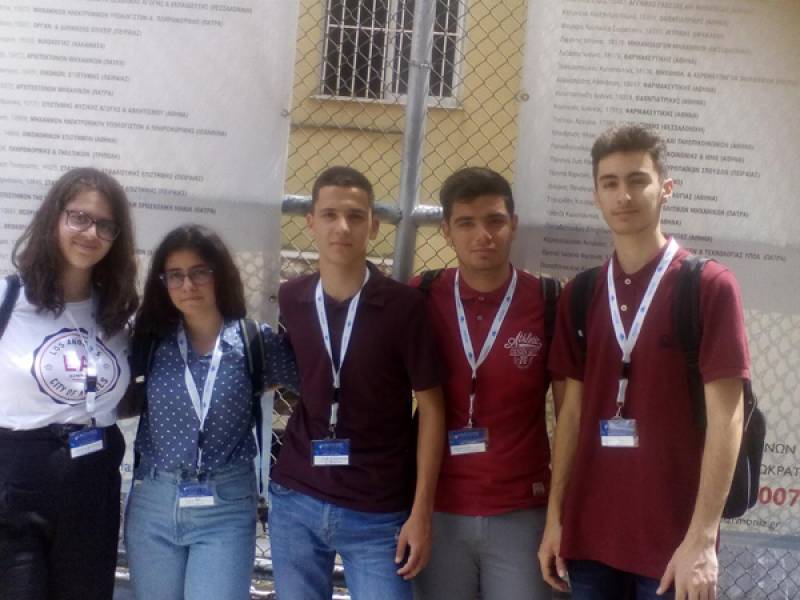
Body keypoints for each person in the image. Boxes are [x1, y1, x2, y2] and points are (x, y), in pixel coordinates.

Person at [538, 124, 750, 600]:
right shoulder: (581, 293)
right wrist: (555, 519)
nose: (624, 195)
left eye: (637, 180)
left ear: (666, 188)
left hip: (674, 547)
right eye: (610, 183)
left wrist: (703, 540)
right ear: (595, 195)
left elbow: (727, 418)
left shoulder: (708, 286)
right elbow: (569, 414)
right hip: (589, 539)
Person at [269, 166, 446, 600]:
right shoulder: (292, 298)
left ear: (374, 225)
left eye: (355, 216)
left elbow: (432, 408)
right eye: (330, 215)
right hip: (297, 498)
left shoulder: (405, 306)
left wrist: (421, 511)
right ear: (311, 222)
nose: (342, 227)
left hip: (377, 511)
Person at [411, 167, 562, 600]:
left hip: (522, 508)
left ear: (513, 224)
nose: (483, 235)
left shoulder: (549, 300)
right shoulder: (422, 295)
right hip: (439, 509)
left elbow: (570, 413)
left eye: (495, 220)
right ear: (446, 230)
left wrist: (557, 514)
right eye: (466, 223)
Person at [123, 224, 297, 600]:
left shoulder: (254, 341)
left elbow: (314, 386)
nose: (188, 285)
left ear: (220, 274)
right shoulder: (150, 341)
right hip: (154, 501)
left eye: (199, 272)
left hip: (225, 506)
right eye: (175, 275)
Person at [0, 168, 138, 600]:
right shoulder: (8, 299)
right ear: (54, 218)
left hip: (92, 489)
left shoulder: (117, 314)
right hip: (16, 486)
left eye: (105, 225)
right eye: (79, 217)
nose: (91, 233)